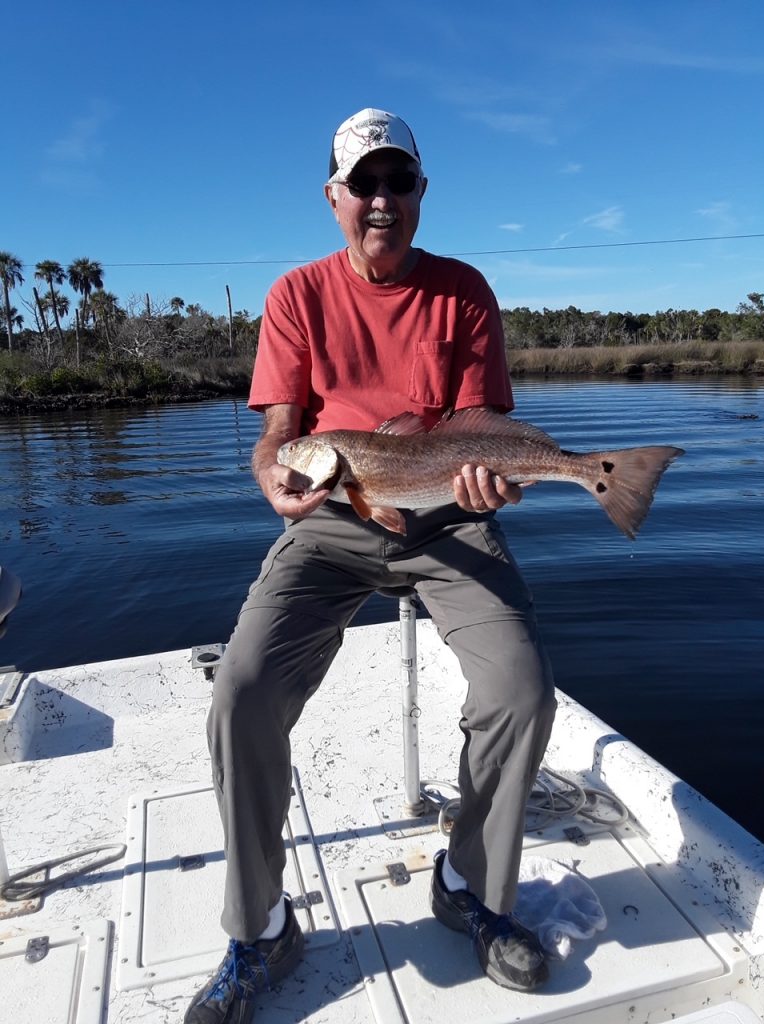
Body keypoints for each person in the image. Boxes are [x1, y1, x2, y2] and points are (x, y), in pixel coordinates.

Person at [185, 108, 557, 1024]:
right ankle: (261, 925)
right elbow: (280, 435)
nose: (382, 200)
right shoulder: (296, 295)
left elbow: (480, 429)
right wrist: (278, 480)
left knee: (521, 691)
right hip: (337, 520)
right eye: (365, 184)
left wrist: (487, 482)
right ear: (334, 198)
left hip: (447, 522)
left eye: (400, 182)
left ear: (422, 193)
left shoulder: (464, 291)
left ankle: (466, 884)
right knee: (241, 689)